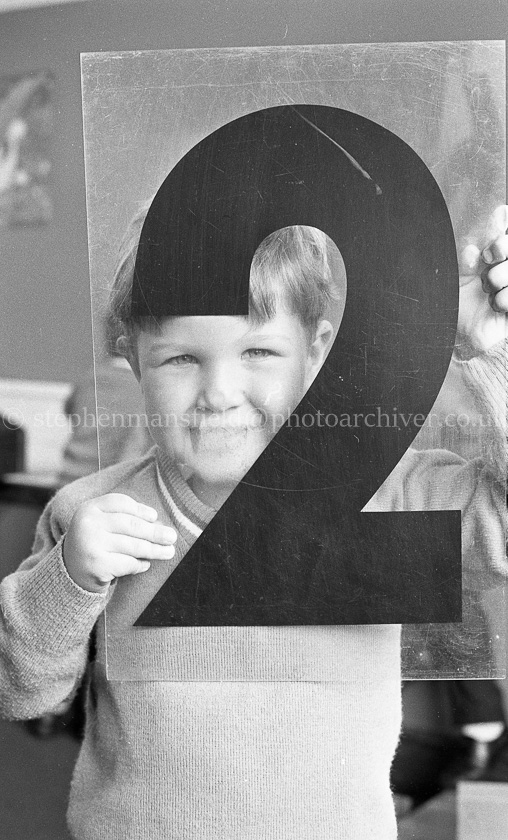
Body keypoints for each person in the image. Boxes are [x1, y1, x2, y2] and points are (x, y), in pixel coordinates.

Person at [0, 205, 506, 840]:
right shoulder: (90, 516)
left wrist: (492, 356)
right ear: (134, 362)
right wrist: (68, 578)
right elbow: (23, 693)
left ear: (317, 352)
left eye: (260, 350)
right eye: (181, 358)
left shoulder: (388, 495)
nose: (218, 391)